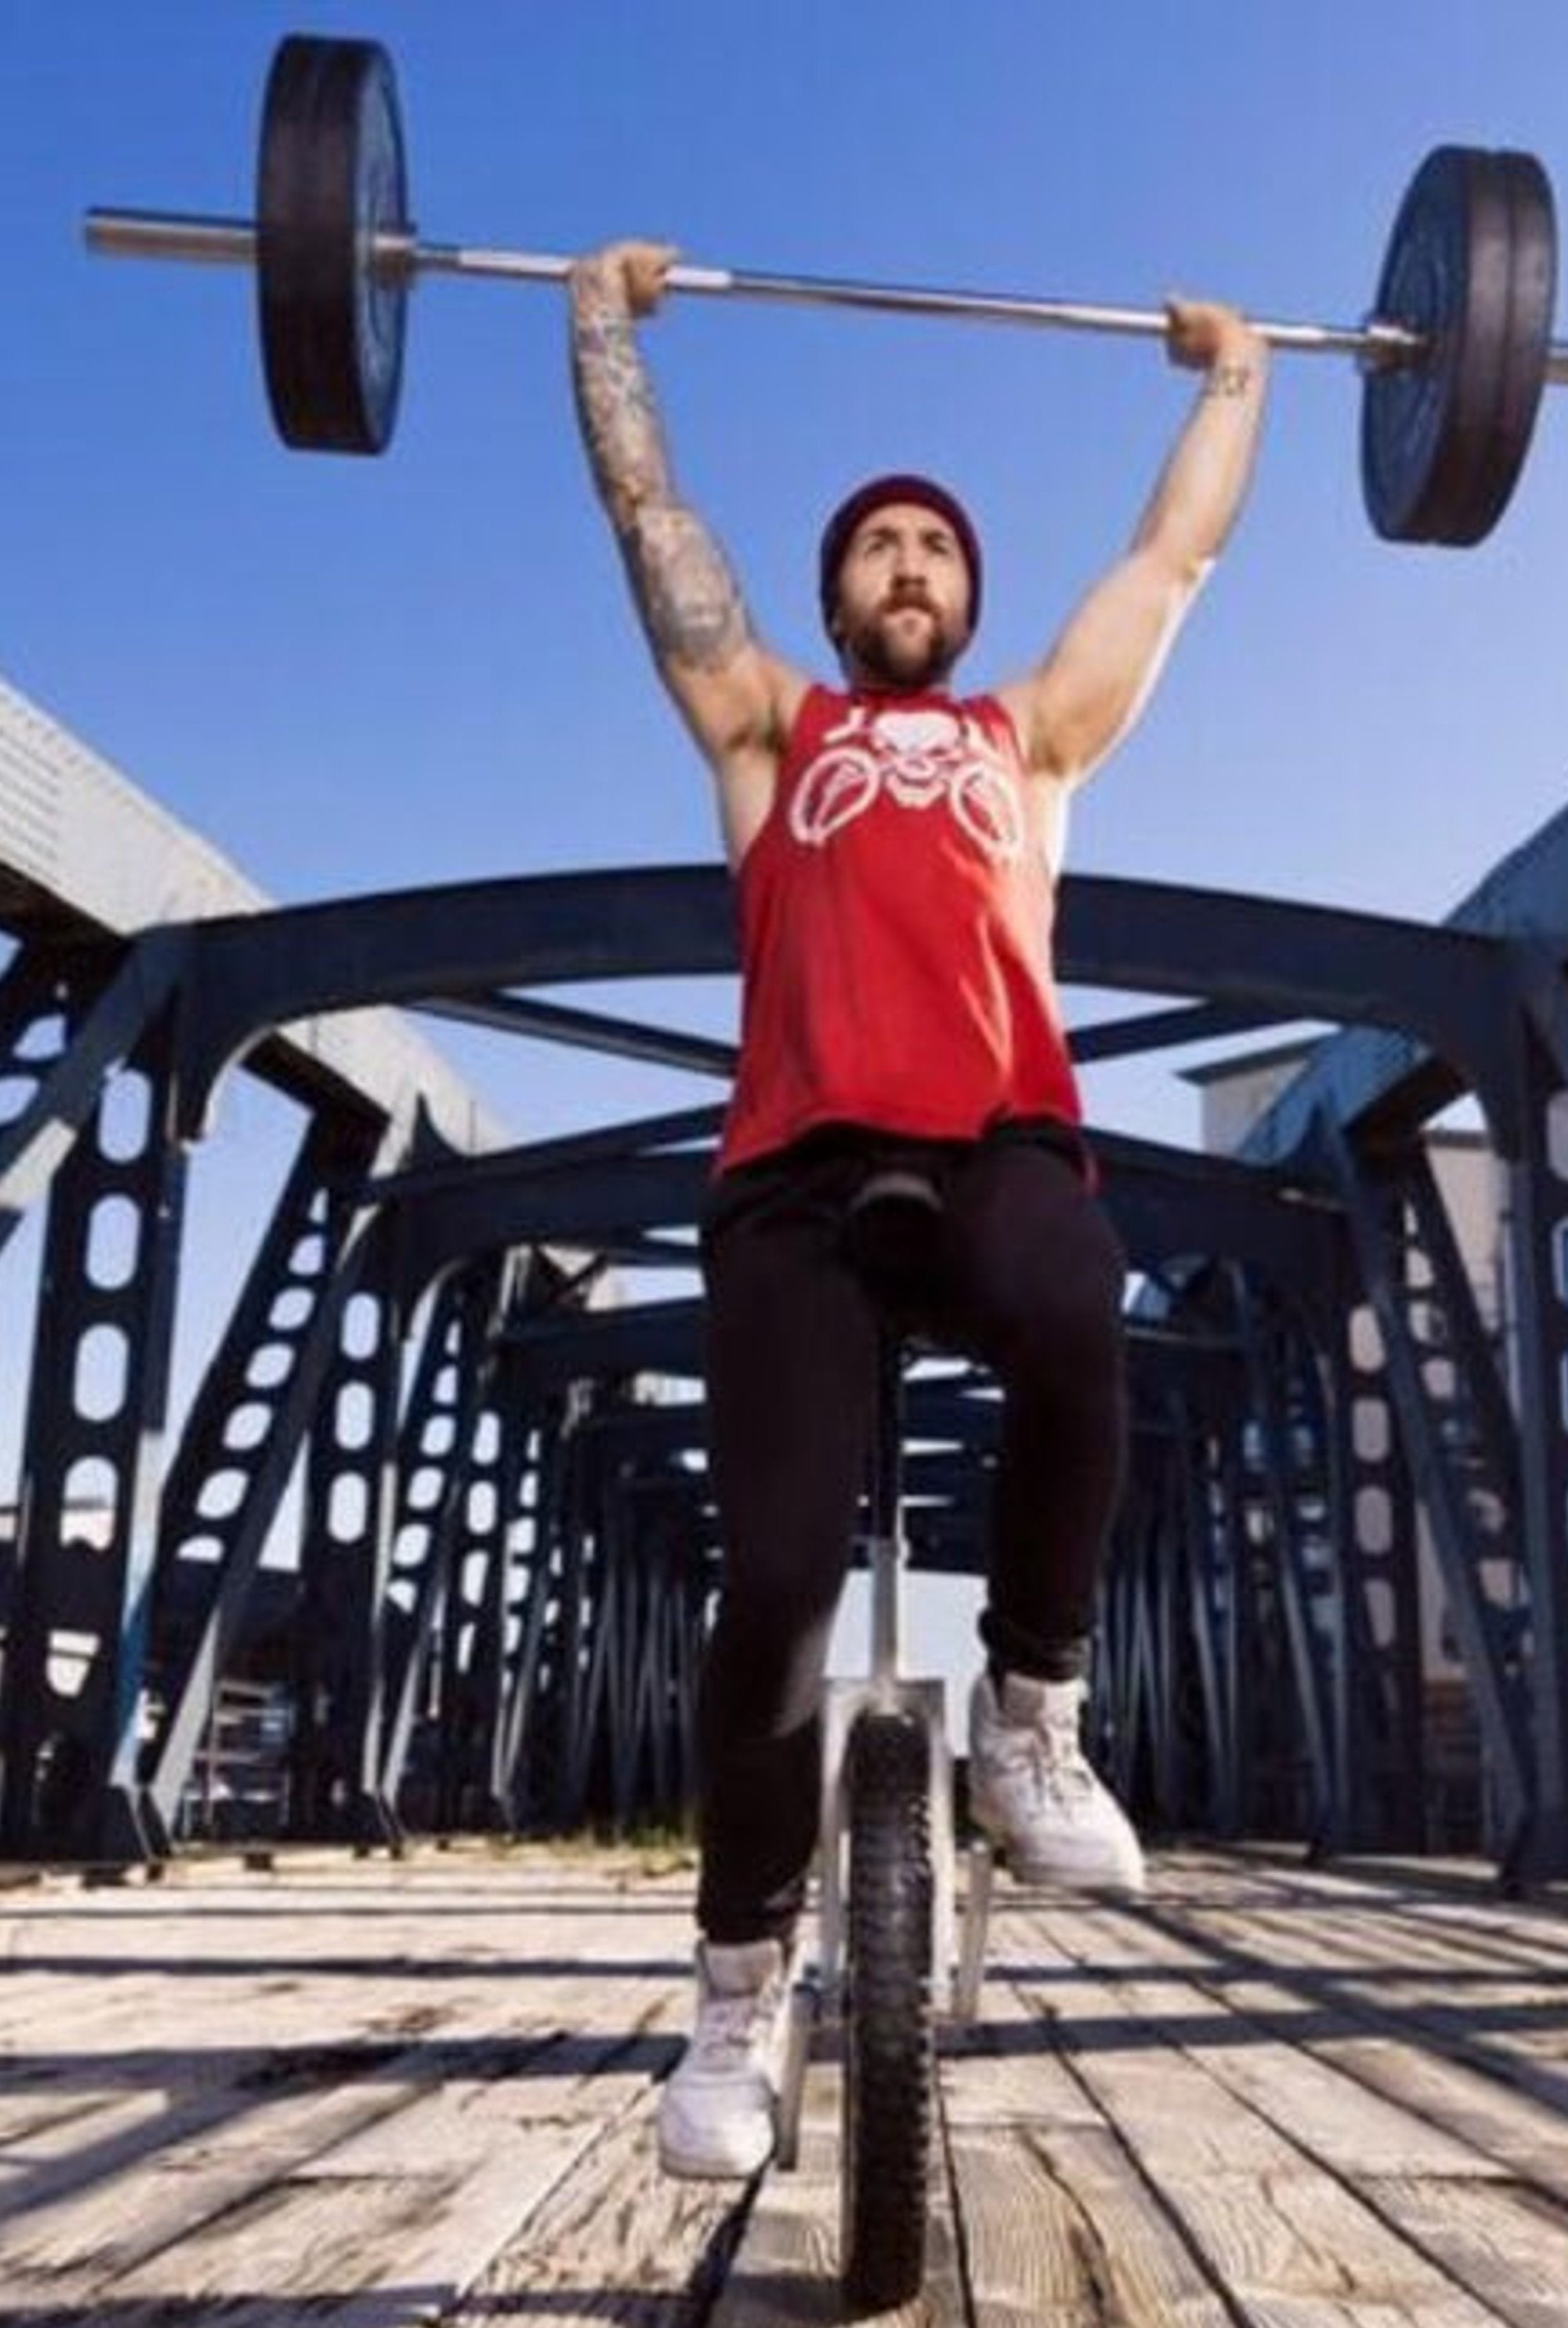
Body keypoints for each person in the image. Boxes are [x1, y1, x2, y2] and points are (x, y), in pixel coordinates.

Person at [562, 239, 1267, 2180]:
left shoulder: (1025, 747)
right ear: (830, 596)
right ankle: (733, 1991)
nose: (905, 568)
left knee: (1075, 1309)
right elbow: (649, 516)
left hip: (991, 1151)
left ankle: (1029, 1713)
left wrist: (1236, 382)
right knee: (776, 1583)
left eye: (934, 551)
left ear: (967, 597)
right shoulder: (766, 734)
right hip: (791, 1182)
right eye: (875, 547)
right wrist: (597, 330)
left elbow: (1172, 566)